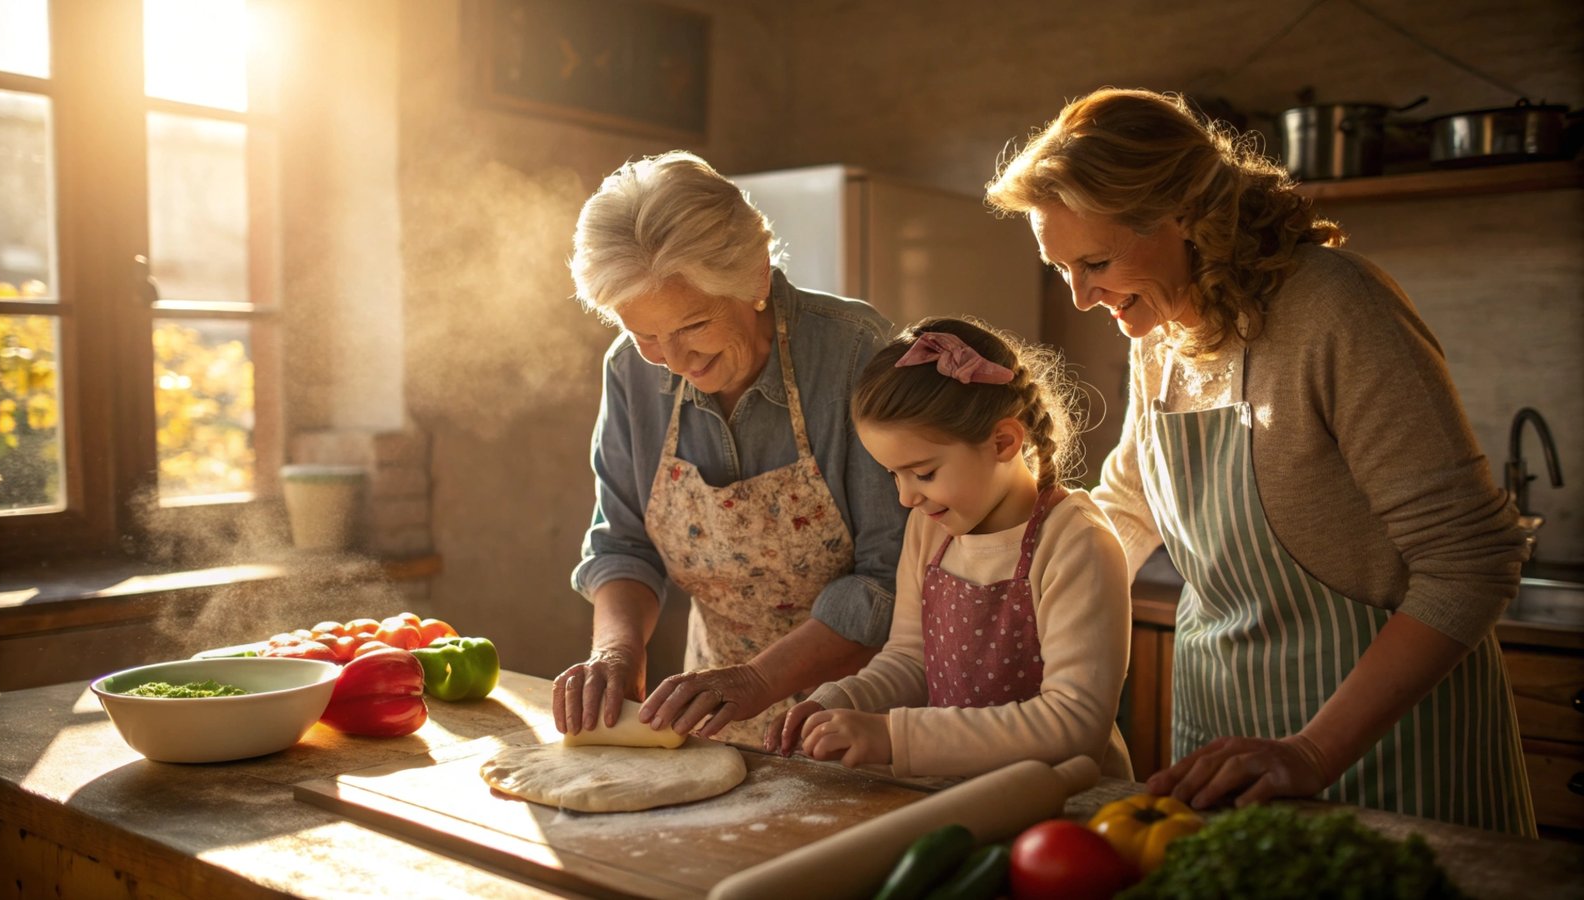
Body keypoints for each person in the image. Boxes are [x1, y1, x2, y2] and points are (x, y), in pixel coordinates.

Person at [985, 88, 1535, 834]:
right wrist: (1000, 584)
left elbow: (1472, 561)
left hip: (1385, 756)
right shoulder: (1159, 335)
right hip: (1226, 748)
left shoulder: (1334, 308)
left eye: (1098, 261)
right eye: (1062, 268)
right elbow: (1125, 508)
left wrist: (1311, 751)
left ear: (1183, 217)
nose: (1081, 297)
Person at [555, 150, 906, 747]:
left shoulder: (852, 352)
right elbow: (623, 543)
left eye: (693, 325)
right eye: (644, 334)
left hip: (858, 717)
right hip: (714, 713)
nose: (674, 360)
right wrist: (616, 652)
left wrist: (757, 679)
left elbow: (888, 578)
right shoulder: (631, 373)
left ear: (756, 275)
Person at [767, 317, 1134, 780]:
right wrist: (838, 701)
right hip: (959, 798)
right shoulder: (931, 529)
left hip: (1065, 808)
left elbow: (1074, 723)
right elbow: (908, 660)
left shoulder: (1076, 543)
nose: (906, 498)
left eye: (923, 473)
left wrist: (892, 737)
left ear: (1003, 441)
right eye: (892, 474)